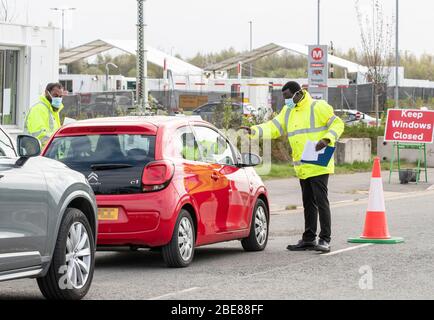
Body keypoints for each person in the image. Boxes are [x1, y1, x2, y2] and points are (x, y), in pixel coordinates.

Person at [242, 81, 344, 253]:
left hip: (319, 162)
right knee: (308, 203)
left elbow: (338, 124)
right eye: (284, 97)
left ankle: (325, 239)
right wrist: (254, 130)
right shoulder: (288, 111)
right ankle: (309, 238)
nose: (286, 100)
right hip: (303, 165)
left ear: (298, 93)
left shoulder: (317, 106)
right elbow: (273, 127)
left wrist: (327, 139)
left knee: (321, 201)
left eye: (288, 97)